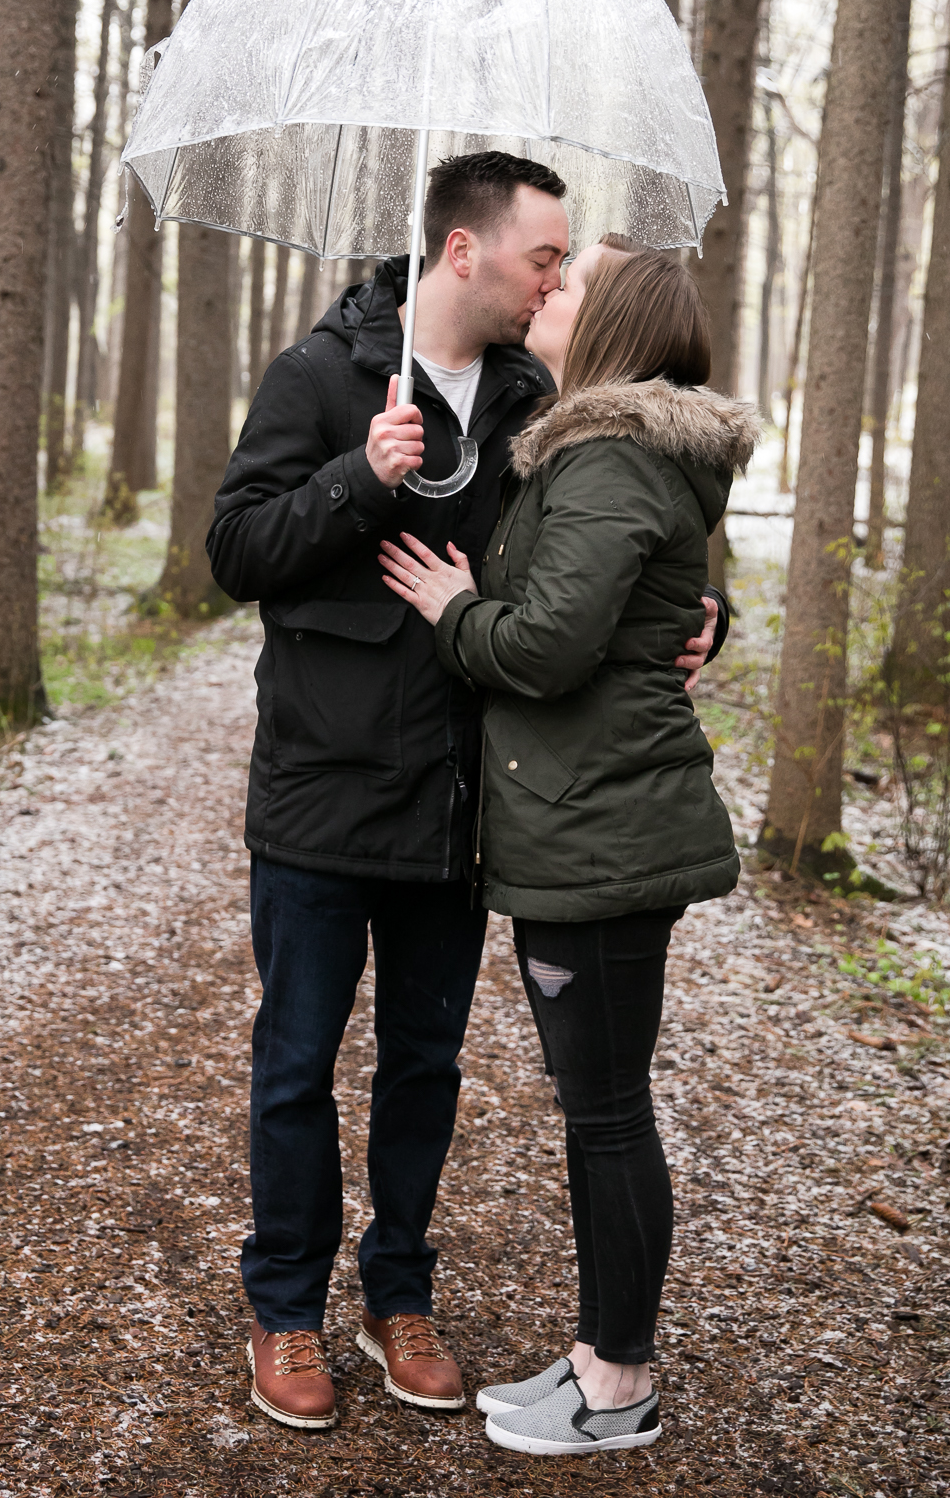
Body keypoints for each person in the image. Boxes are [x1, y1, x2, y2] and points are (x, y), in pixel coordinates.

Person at [207, 155, 726, 1432]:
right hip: (322, 796)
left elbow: (614, 552)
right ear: (462, 252)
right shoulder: (321, 375)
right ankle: (285, 1311)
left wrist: (714, 619)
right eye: (541, 255)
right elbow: (233, 550)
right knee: (295, 1063)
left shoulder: (535, 398)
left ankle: (400, 1295)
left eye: (563, 264)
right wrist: (355, 478)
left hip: (458, 804)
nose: (554, 276)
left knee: (423, 1064)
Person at [379, 251, 758, 1458]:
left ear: (618, 322)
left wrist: (453, 611)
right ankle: (603, 1350)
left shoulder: (604, 455)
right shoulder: (610, 450)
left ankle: (618, 1381)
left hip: (599, 827)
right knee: (601, 1107)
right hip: (591, 817)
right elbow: (652, 597)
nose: (546, 291)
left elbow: (544, 648)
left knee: (605, 1113)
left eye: (570, 283)